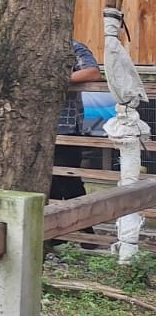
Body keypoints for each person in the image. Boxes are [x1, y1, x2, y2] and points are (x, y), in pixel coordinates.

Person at [51, 38, 104, 202]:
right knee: (45, 182)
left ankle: (84, 227)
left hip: (65, 127)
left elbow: (92, 72)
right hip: (30, 127)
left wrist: (56, 80)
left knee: (69, 180)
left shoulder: (72, 46)